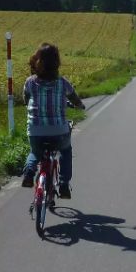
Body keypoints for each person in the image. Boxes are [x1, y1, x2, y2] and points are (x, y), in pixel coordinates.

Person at [21, 42, 85, 198]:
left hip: (36, 130)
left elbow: (25, 99)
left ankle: (29, 173)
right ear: (57, 62)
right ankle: (63, 185)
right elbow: (74, 98)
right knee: (65, 151)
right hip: (59, 131)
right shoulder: (63, 82)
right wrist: (80, 105)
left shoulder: (30, 82)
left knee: (35, 152)